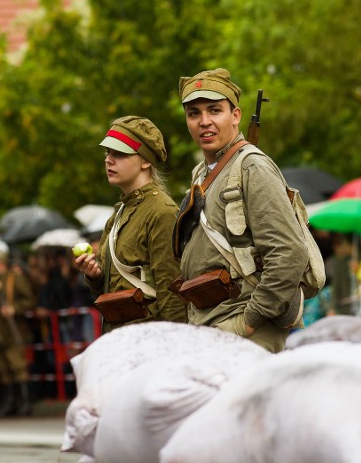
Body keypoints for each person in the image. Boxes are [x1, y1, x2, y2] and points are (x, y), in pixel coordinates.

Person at [171, 69, 311, 352]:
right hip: (209, 324)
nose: (204, 121)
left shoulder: (252, 167)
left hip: (245, 328)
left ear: (235, 115)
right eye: (194, 114)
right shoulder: (200, 174)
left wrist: (250, 319)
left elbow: (289, 253)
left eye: (214, 110)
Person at [74, 116, 186, 333]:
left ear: (145, 161)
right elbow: (108, 294)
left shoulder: (161, 211)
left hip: (152, 341)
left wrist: (177, 346)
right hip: (121, 339)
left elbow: (172, 292)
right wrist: (94, 276)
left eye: (119, 153)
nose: (108, 159)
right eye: (108, 152)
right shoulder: (116, 216)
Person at [0, 249, 36, 417]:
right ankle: (10, 402)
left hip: (11, 330)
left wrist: (14, 308)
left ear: (1, 263)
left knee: (18, 367)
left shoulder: (15, 278)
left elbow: (29, 300)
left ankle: (25, 402)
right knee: (2, 370)